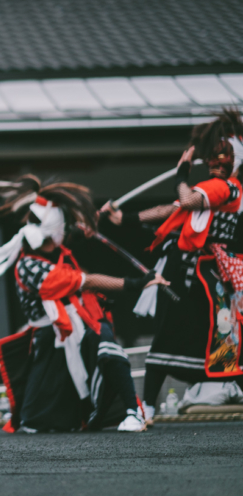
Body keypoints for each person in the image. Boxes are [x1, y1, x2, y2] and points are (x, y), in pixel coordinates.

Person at [0, 175, 168, 433]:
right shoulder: (29, 266)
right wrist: (135, 283)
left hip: (82, 323)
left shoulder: (53, 245)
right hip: (51, 338)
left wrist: (94, 220)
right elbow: (87, 281)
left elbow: (73, 233)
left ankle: (132, 412)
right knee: (37, 421)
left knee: (106, 347)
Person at [101, 108, 243, 423]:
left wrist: (181, 174)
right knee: (178, 334)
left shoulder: (227, 187)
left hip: (209, 276)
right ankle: (147, 407)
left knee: (218, 335)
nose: (214, 161)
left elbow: (187, 200)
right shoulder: (211, 189)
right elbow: (175, 209)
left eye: (223, 155)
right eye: (213, 155)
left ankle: (148, 406)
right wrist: (125, 218)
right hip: (192, 274)